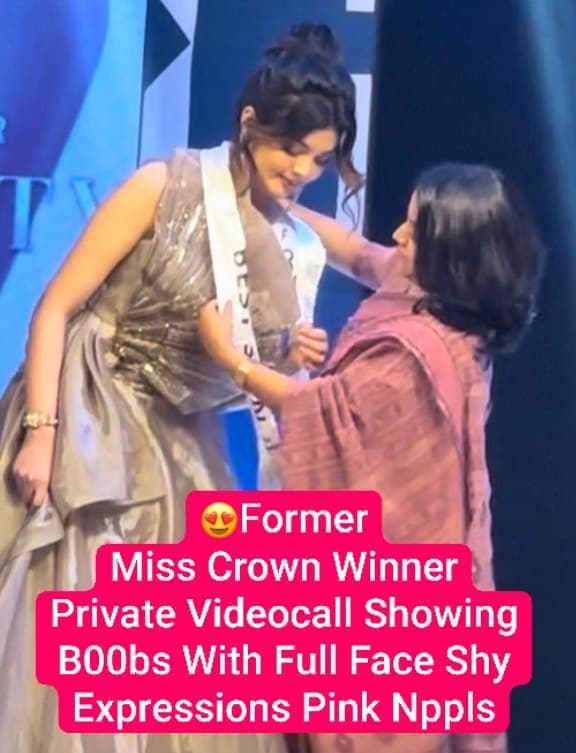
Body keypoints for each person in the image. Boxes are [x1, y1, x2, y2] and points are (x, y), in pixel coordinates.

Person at [0, 22, 365, 753]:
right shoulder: (162, 185)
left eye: (320, 160)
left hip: (181, 440)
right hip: (90, 416)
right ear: (250, 123)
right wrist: (41, 431)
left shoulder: (286, 234)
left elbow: (238, 361)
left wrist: (287, 352)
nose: (302, 170)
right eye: (293, 150)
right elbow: (55, 308)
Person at [198, 162, 546, 753]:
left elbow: (317, 409)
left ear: (450, 255)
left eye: (414, 231)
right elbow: (356, 252)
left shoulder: (411, 357)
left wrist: (231, 360)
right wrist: (266, 205)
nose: (398, 237)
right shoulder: (440, 298)